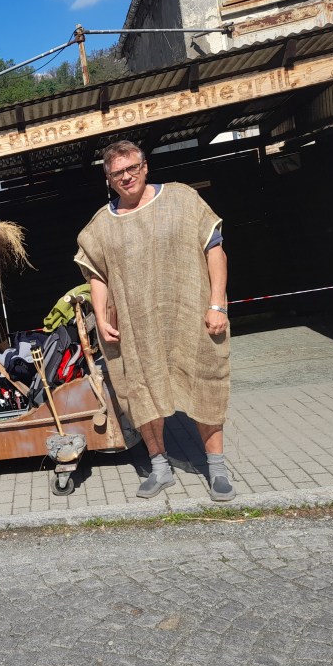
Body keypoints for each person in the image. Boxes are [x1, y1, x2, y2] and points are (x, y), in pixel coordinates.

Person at [74, 140, 234, 502]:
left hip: (190, 317)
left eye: (132, 168)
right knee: (141, 390)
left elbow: (215, 250)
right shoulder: (101, 225)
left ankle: (217, 468)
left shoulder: (182, 199)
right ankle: (159, 467)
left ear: (145, 167)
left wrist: (217, 305)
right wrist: (100, 316)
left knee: (205, 383)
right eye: (117, 173)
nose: (126, 177)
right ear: (109, 179)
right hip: (136, 328)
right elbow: (96, 275)